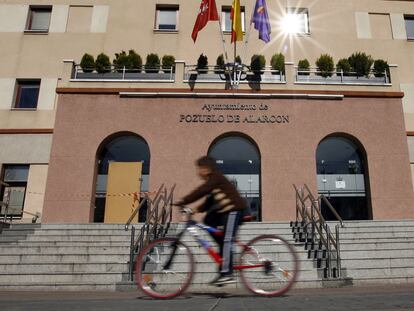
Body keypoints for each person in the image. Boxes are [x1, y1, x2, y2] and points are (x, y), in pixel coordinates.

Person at [175, 156, 248, 286]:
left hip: (234, 210)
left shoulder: (216, 178)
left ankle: (227, 273)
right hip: (226, 212)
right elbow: (209, 202)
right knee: (209, 221)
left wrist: (184, 200)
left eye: (199, 169)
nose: (198, 172)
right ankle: (223, 268)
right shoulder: (213, 182)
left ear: (207, 169)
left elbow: (201, 191)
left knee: (227, 239)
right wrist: (193, 210)